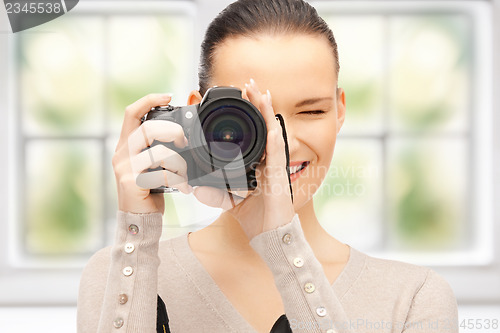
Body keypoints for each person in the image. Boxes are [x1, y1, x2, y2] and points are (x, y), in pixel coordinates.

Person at [77, 0, 459, 332]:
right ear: (199, 113)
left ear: (339, 111)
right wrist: (138, 235)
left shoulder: (414, 299)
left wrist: (280, 243)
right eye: (251, 116)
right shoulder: (122, 271)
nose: (282, 144)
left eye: (312, 111)